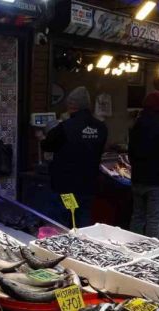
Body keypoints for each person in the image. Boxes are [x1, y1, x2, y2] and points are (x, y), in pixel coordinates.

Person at [41, 86, 107, 227]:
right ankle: (81, 240)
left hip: (67, 187)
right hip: (88, 186)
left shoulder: (65, 127)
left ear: (72, 105)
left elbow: (47, 145)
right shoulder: (101, 128)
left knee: (64, 223)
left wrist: (42, 136)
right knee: (83, 220)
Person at [128, 92, 159, 238]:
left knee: (137, 218)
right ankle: (151, 249)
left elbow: (131, 154)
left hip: (138, 181)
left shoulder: (136, 127)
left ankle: (132, 247)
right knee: (154, 221)